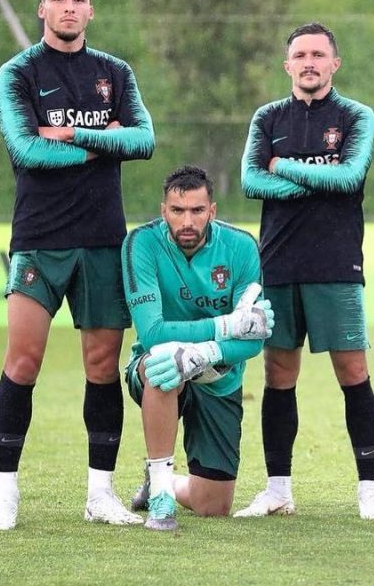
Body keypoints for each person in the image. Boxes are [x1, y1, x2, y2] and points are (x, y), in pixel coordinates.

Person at [0, 0, 155, 530]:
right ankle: (4, 497)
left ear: (91, 9)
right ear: (42, 8)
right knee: (23, 361)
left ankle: (98, 494)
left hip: (103, 241)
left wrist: (77, 134)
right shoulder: (18, 73)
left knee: (102, 366)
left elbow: (145, 140)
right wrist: (102, 144)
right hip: (39, 240)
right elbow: (29, 152)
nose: (69, 7)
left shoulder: (115, 72)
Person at [237, 22, 374, 520]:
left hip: (336, 263)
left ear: (334, 63)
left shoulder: (355, 116)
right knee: (279, 375)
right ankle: (278, 489)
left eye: (318, 55)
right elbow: (249, 180)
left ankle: (368, 491)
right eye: (300, 55)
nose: (309, 62)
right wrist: (311, 179)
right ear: (287, 65)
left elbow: (348, 178)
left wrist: (286, 168)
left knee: (353, 372)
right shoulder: (267, 117)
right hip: (277, 263)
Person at [122, 166, 273, 531]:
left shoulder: (240, 247)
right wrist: (223, 326)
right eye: (177, 211)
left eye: (197, 211)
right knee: (164, 362)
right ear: (164, 211)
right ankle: (161, 493)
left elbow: (253, 340)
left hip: (219, 375)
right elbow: (154, 332)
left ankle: (166, 485)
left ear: (213, 211)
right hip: (157, 369)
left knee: (213, 505)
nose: (187, 221)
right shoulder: (141, 244)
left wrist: (205, 354)